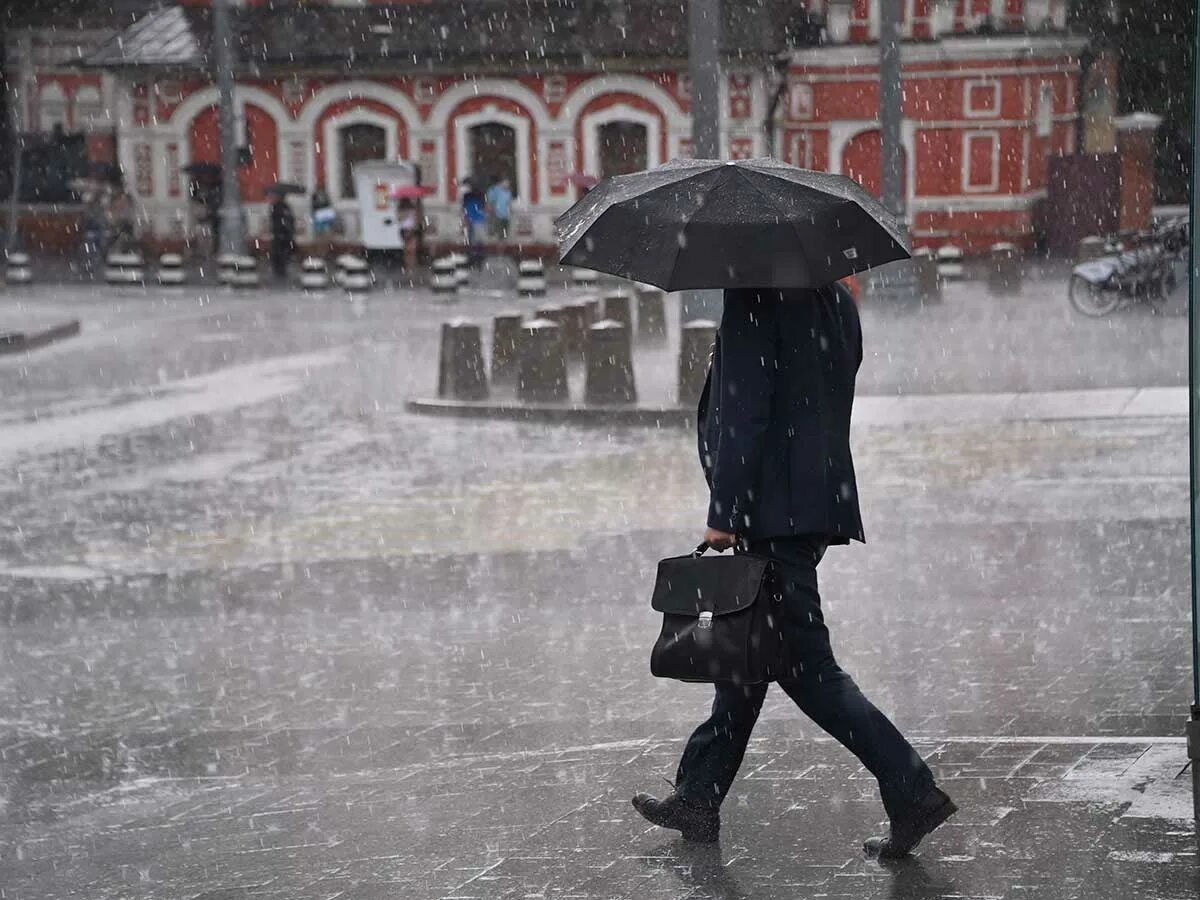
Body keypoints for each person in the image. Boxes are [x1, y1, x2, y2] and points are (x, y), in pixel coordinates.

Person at [632, 285, 956, 859]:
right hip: (811, 502)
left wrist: (723, 515)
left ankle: (912, 790)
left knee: (808, 670)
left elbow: (745, 411)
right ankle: (698, 796)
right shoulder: (835, 300)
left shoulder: (756, 296)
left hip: (772, 513)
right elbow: (827, 392)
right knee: (749, 656)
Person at [269, 191, 296, 280]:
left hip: (280, 233)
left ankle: (279, 268)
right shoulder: (284, 207)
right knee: (283, 251)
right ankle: (281, 268)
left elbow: (273, 219)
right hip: (284, 234)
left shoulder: (276, 206)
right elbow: (290, 219)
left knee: (279, 251)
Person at [461, 180, 487, 266]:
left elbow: (464, 208)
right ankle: (478, 256)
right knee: (478, 239)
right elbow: (483, 207)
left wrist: (465, 218)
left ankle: (474, 256)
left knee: (472, 238)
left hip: (471, 219)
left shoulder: (466, 196)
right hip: (478, 219)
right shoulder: (481, 195)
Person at [486, 176, 513, 242]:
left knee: (505, 231)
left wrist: (510, 209)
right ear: (501, 183)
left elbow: (509, 202)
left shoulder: (509, 192)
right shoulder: (496, 190)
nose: (507, 184)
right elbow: (491, 201)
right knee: (498, 230)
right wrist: (491, 209)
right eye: (505, 183)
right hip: (498, 214)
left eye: (508, 183)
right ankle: (499, 243)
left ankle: (503, 242)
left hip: (506, 214)